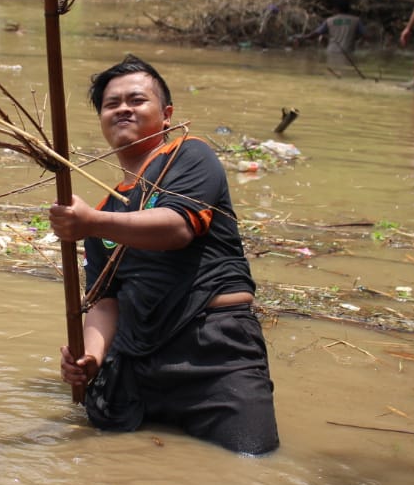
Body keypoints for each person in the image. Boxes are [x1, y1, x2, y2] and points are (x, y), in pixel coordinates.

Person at [48, 55, 279, 455]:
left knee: (252, 461)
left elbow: (177, 228)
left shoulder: (190, 155)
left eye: (136, 100)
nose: (122, 108)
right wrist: (91, 356)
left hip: (214, 349)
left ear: (166, 114)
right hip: (138, 357)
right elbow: (106, 302)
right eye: (111, 103)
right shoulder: (106, 209)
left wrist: (91, 223)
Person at [295, 11, 368, 56]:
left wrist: (302, 38)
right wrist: (360, 41)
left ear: (336, 9)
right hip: (348, 53)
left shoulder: (330, 20)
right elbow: (366, 36)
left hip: (332, 52)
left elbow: (315, 34)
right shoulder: (356, 20)